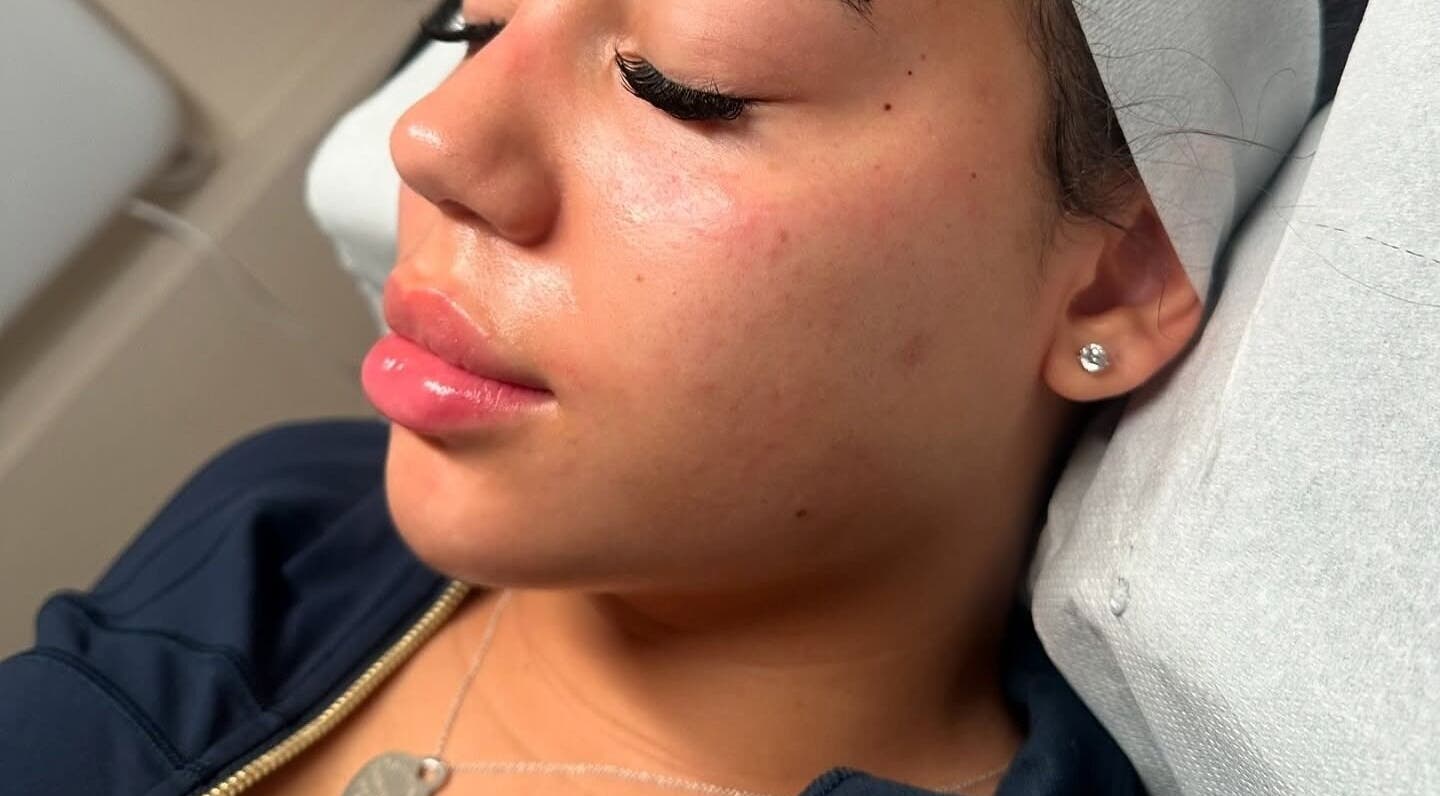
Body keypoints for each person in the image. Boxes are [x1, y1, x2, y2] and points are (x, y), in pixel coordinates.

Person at [0, 1, 1328, 794]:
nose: (431, 137)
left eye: (684, 81)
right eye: (477, 26)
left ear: (1116, 279)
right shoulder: (276, 520)